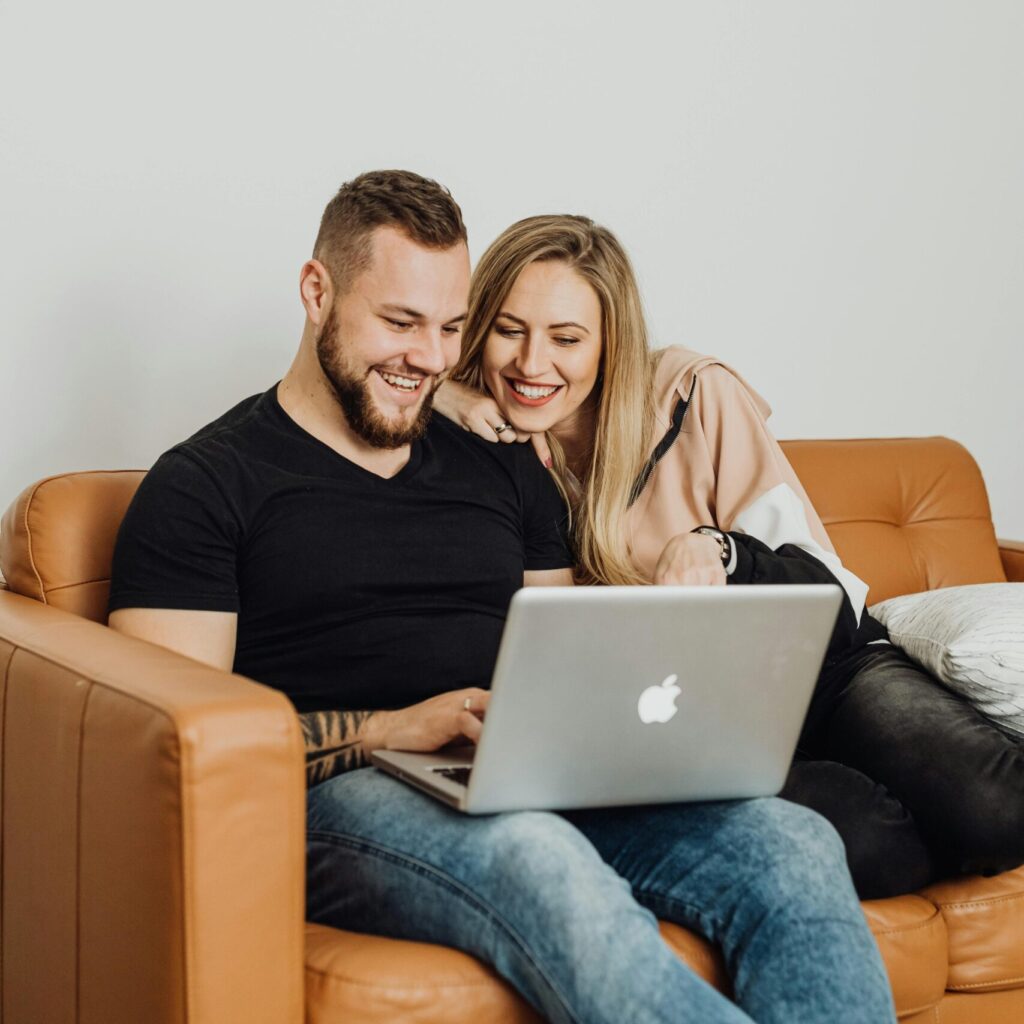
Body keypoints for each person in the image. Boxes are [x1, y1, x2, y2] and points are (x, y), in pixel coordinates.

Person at [108, 171, 896, 1024]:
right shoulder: (205, 486)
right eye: (399, 323)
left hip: (520, 773)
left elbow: (565, 652)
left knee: (792, 843)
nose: (429, 357)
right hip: (345, 796)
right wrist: (386, 729)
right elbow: (175, 750)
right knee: (537, 855)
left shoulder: (504, 460)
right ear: (316, 292)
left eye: (450, 329)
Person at [439, 213, 1024, 899]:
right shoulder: (482, 450)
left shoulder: (694, 395)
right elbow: (361, 373)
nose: (532, 364)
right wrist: (442, 393)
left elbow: (831, 590)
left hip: (825, 672)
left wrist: (721, 551)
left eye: (566, 338)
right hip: (691, 721)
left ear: (609, 342)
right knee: (870, 843)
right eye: (509, 330)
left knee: (997, 812)